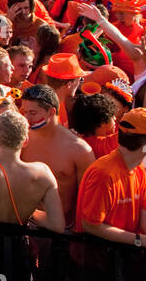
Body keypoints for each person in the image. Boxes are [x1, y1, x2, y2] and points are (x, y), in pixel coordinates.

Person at [75, 109, 146, 274]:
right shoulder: (104, 174)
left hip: (123, 261)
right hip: (94, 267)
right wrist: (143, 240)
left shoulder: (139, 170)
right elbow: (91, 226)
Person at [19, 84, 94, 229]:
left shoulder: (79, 149)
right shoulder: (22, 139)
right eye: (25, 112)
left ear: (51, 112)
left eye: (33, 113)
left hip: (63, 231)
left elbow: (87, 201)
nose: (26, 118)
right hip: (26, 223)